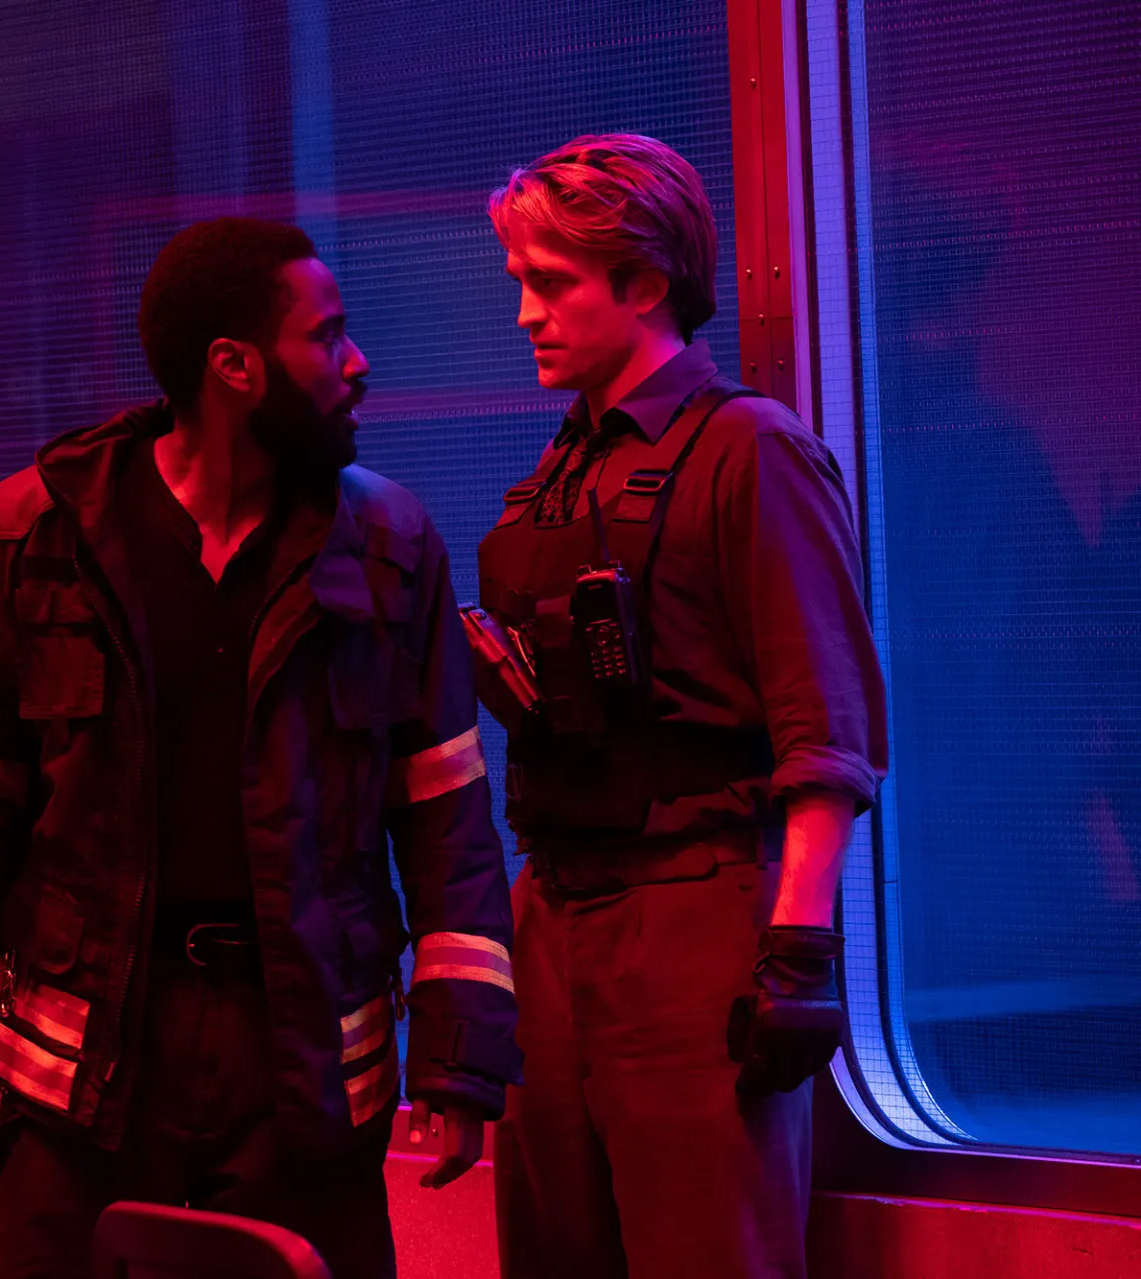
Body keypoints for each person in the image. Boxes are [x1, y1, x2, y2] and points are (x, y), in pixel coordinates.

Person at [0, 218, 521, 1279]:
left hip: (299, 1058)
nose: (357, 363)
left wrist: (459, 1054)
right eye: (327, 336)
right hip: (85, 1064)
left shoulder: (388, 546)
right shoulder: (38, 532)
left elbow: (445, 819)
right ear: (233, 366)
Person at [468, 136, 886, 1277]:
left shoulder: (750, 450)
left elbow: (826, 728)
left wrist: (796, 948)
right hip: (553, 903)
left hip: (691, 909)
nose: (524, 315)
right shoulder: (558, 469)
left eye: (550, 283)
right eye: (519, 282)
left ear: (644, 281)